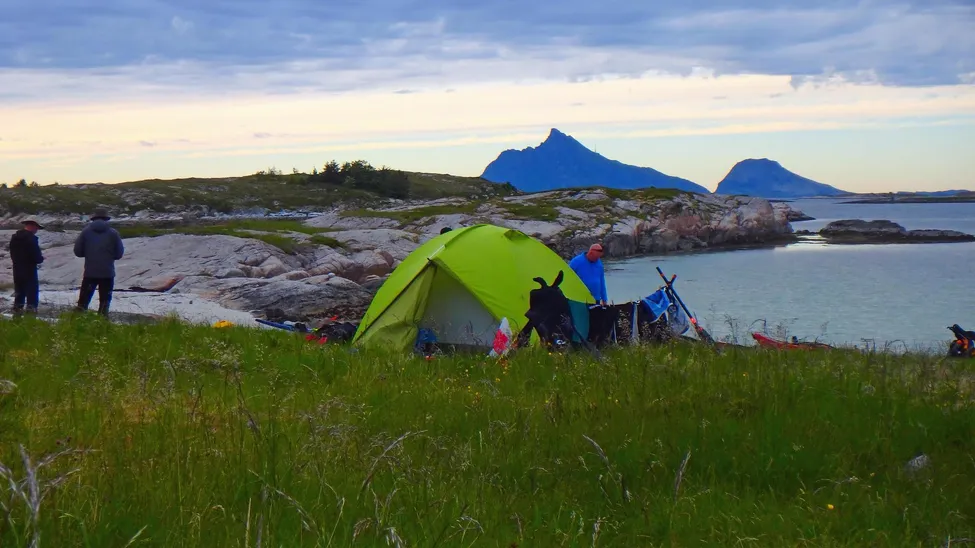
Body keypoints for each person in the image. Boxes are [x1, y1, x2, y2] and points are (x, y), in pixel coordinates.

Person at [73, 208, 124, 316]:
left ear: (93, 218)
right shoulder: (113, 233)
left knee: (83, 303)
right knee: (104, 303)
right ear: (106, 219)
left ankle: (78, 324)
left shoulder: (85, 232)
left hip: (90, 273)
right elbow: (119, 254)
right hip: (107, 273)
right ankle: (102, 325)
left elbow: (77, 251)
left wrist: (89, 254)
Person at [8, 219, 45, 315]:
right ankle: (31, 317)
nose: (37, 230)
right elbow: (36, 257)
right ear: (33, 226)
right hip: (29, 270)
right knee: (32, 294)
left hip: (17, 269)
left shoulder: (14, 237)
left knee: (19, 293)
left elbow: (12, 253)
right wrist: (41, 258)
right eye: (37, 228)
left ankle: (17, 315)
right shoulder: (31, 239)